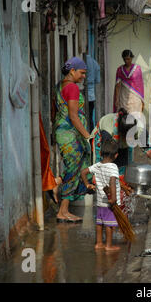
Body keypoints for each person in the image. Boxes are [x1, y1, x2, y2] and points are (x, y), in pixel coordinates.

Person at [90, 108, 151, 214]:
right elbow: (106, 165)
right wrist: (121, 186)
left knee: (125, 173)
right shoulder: (108, 132)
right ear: (122, 134)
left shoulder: (138, 129)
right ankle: (108, 210)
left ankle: (122, 210)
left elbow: (148, 148)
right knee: (104, 177)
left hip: (119, 142)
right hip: (103, 144)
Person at [54, 57, 91, 223]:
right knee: (74, 169)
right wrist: (88, 136)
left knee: (76, 166)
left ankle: (56, 183)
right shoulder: (73, 88)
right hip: (70, 135)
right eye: (82, 73)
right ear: (72, 71)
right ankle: (63, 211)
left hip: (63, 133)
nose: (83, 76)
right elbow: (73, 116)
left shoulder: (59, 86)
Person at [81, 139, 121, 251]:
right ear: (116, 155)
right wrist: (113, 199)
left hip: (99, 201)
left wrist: (88, 184)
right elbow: (112, 182)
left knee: (100, 223)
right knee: (109, 224)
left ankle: (99, 243)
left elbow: (83, 172)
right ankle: (109, 245)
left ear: (100, 153)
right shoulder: (113, 167)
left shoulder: (97, 165)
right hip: (109, 202)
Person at [114, 50, 145, 114]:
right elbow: (117, 85)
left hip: (135, 96)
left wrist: (142, 100)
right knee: (124, 116)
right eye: (124, 59)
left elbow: (140, 85)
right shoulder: (120, 69)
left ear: (131, 58)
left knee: (135, 115)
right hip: (123, 97)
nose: (126, 61)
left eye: (128, 59)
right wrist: (116, 99)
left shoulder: (137, 69)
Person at [86, 51, 101, 132]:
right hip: (91, 95)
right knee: (90, 117)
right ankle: (91, 136)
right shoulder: (95, 63)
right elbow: (98, 80)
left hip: (82, 95)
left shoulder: (81, 62)